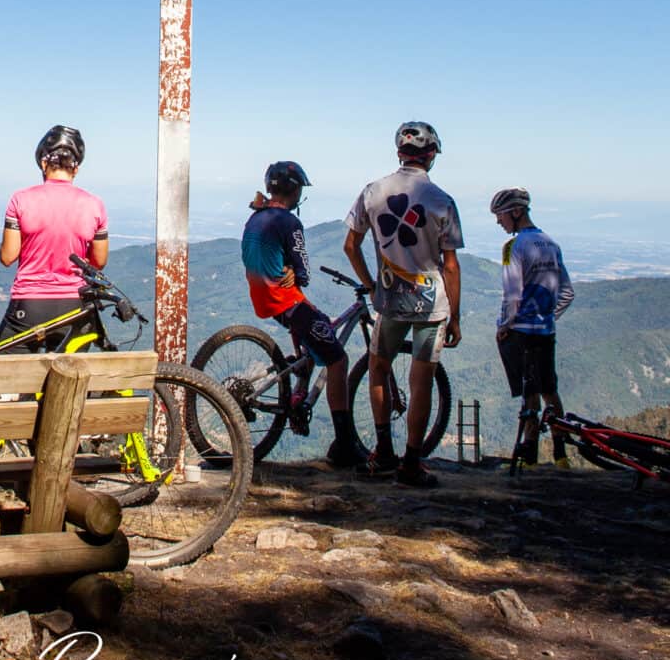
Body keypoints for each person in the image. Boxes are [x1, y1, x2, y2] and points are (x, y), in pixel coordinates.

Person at [344, 121, 463, 487]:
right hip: (431, 304)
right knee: (421, 382)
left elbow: (351, 245)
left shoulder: (372, 192)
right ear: (431, 156)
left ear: (399, 153)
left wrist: (372, 285)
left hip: (391, 300)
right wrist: (454, 318)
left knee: (378, 369)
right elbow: (451, 266)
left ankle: (382, 453)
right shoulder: (443, 201)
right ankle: (412, 464)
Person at [241, 161, 358, 468]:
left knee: (314, 330)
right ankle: (345, 443)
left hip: (263, 296)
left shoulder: (256, 217)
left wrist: (287, 268)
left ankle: (299, 387)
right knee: (337, 359)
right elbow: (303, 269)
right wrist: (296, 271)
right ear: (295, 190)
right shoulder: (289, 223)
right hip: (283, 298)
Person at [0, 125, 109, 350]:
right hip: (74, 307)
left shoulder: (20, 200)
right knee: (67, 382)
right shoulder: (95, 205)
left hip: (28, 305)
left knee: (6, 376)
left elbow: (8, 257)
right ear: (75, 169)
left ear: (43, 164)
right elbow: (99, 262)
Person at [492, 187, 574, 469]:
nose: (498, 221)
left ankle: (529, 458)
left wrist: (505, 325)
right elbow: (567, 293)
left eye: (500, 214)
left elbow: (512, 295)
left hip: (521, 331)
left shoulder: (512, 248)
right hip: (546, 330)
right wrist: (548, 316)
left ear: (515, 212)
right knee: (550, 389)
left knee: (529, 394)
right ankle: (561, 455)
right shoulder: (552, 244)